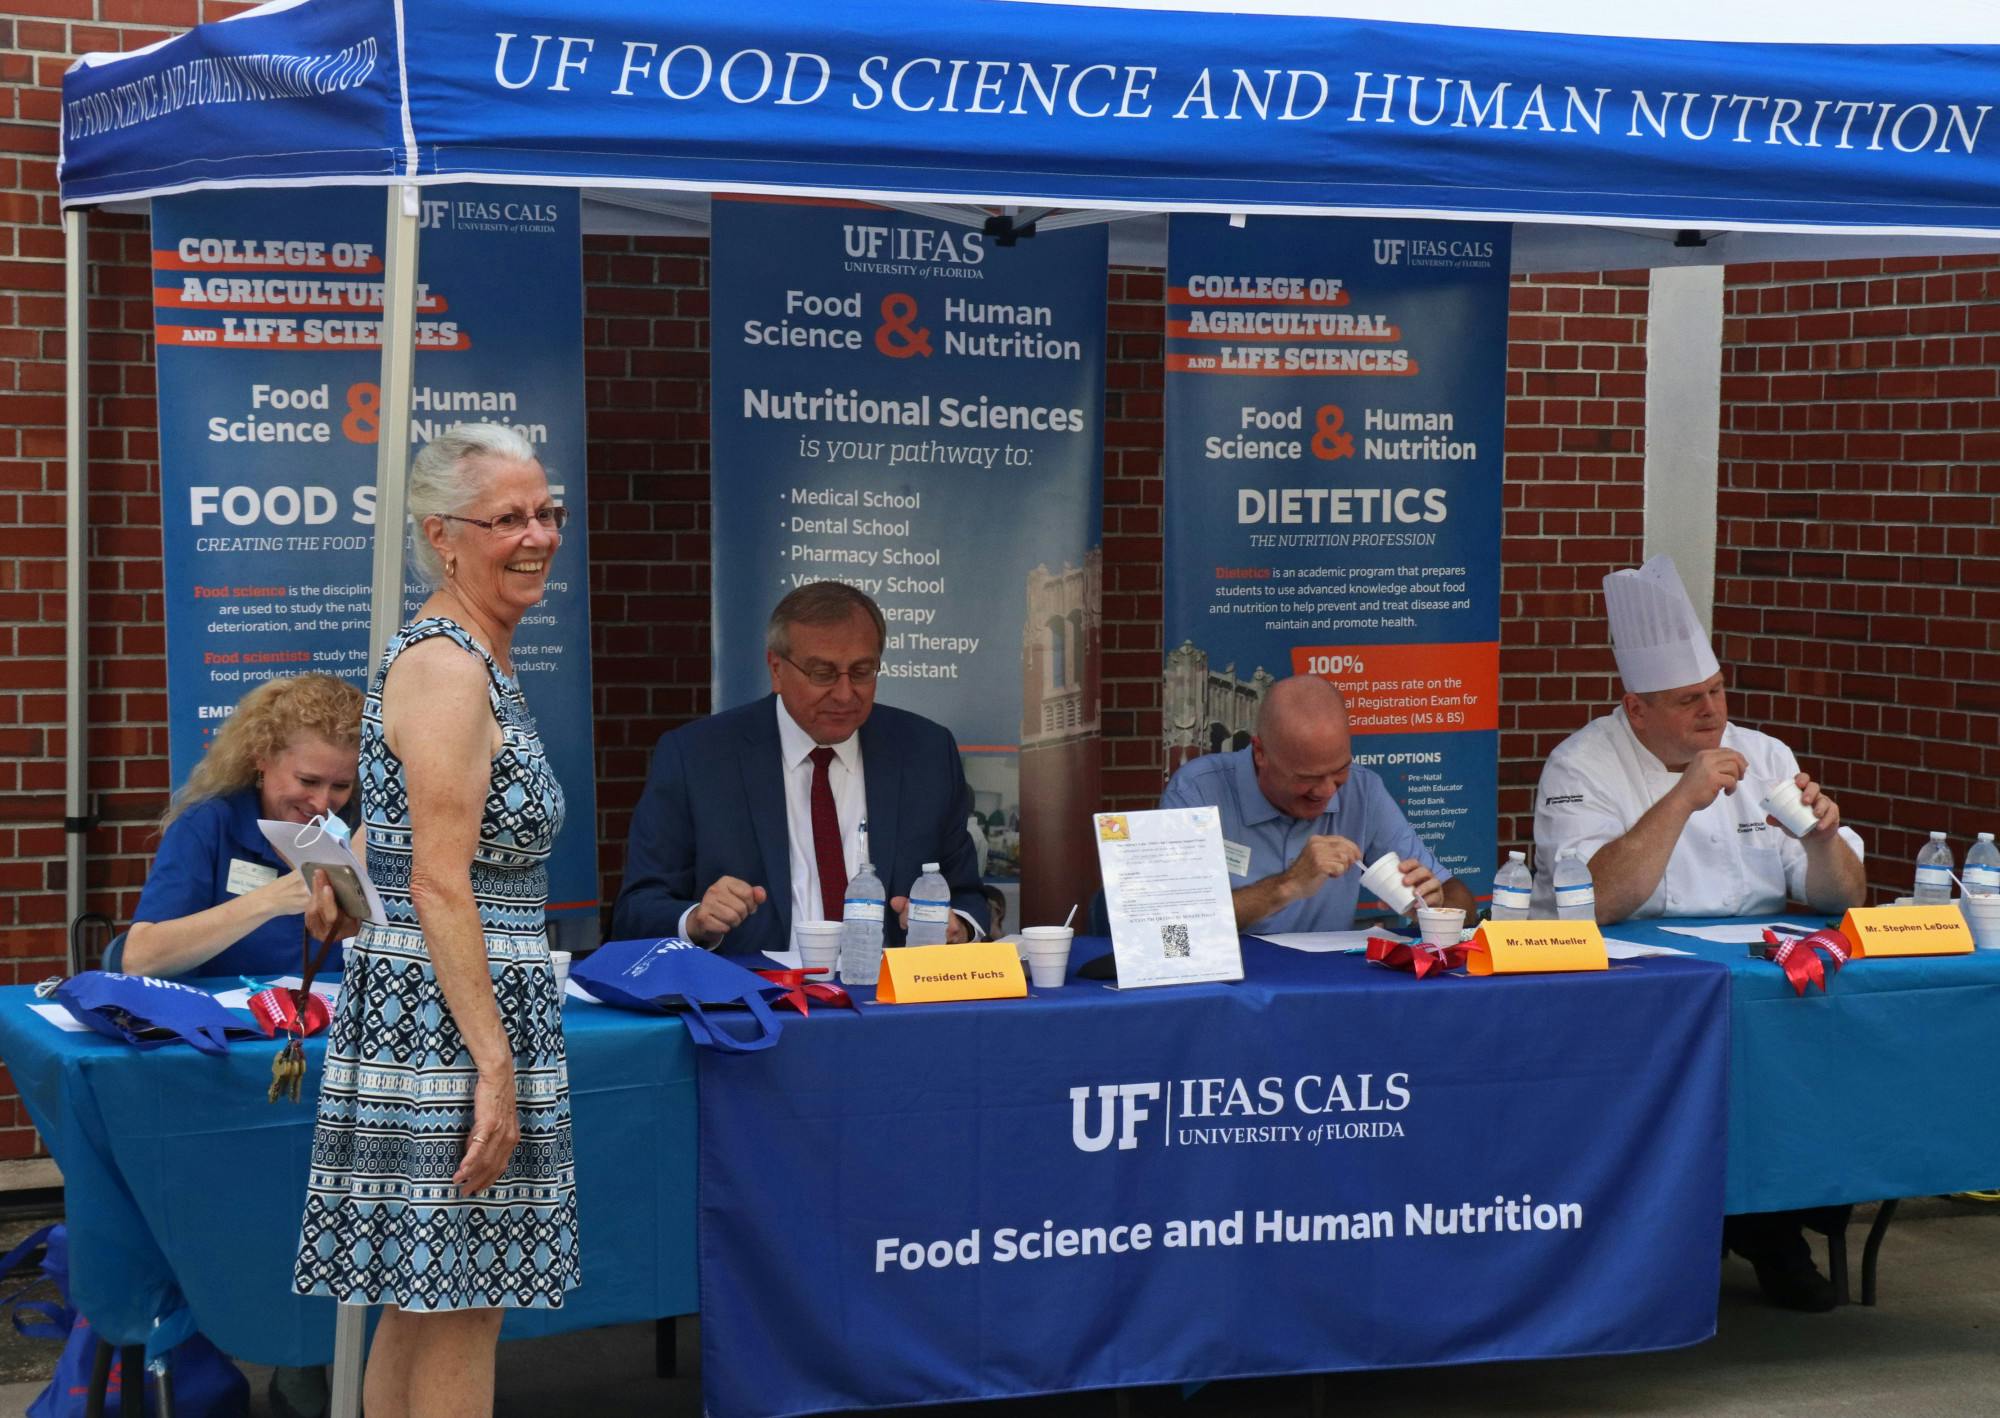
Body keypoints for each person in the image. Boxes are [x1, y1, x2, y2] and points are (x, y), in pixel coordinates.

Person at [294, 423, 580, 1417]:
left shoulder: (460, 658)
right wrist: (494, 1063)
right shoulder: (449, 665)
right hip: (453, 1021)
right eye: (508, 517)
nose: (537, 533)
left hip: (443, 1003)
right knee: (460, 1302)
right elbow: (440, 881)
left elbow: (392, 835)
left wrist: (339, 871)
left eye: (546, 511)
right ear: (442, 536)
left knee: (430, 1298)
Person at [1533, 554, 1866, 1313]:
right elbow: (1598, 900)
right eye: (1688, 700)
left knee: (1819, 1055)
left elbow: (1846, 897)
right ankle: (1671, 1240)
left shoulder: (1766, 755)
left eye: (1716, 692)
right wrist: (1683, 796)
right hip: (1632, 983)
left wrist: (1820, 839)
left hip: (1763, 974)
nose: (1712, 713)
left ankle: (1777, 1225)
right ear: (1637, 708)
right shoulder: (1582, 765)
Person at [612, 580, 989, 955]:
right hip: (753, 1004)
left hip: (890, 1002)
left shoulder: (925, 752)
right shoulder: (697, 757)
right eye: (822, 674)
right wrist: (695, 921)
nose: (844, 694)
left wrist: (958, 929)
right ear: (776, 669)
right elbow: (635, 911)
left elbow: (969, 896)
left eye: (861, 672)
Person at [1160, 675, 1474, 933]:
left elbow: (1462, 903)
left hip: (1327, 987)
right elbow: (1171, 923)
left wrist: (1437, 905)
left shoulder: (1364, 790)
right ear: (1260, 753)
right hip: (1229, 989)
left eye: (1339, 771)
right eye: (1306, 777)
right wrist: (1288, 885)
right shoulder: (1197, 791)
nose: (1326, 791)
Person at [125, 673, 362, 980]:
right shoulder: (210, 826)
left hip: (329, 1023)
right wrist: (270, 900)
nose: (321, 802)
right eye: (307, 781)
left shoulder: (362, 832)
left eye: (341, 785)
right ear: (261, 757)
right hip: (229, 1024)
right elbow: (139, 959)